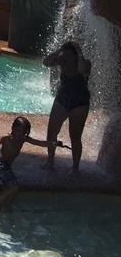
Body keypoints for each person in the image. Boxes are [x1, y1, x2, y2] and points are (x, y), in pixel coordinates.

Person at [0, 116, 64, 209]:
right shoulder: (6, 138)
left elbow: (39, 143)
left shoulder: (23, 139)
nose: (19, 134)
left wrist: (53, 144)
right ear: (13, 128)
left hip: (7, 165)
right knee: (14, 188)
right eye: (18, 131)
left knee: (11, 188)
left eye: (23, 132)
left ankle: (5, 205)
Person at [42, 41, 91, 172]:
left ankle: (75, 167)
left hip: (79, 103)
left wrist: (79, 53)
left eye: (70, 55)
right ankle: (50, 160)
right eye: (65, 54)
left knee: (75, 136)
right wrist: (59, 51)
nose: (66, 58)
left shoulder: (85, 63)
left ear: (76, 55)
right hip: (62, 100)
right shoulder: (61, 60)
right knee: (52, 132)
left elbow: (82, 70)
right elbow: (46, 62)